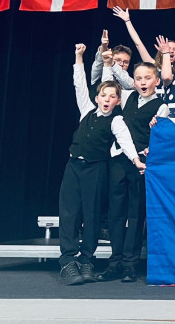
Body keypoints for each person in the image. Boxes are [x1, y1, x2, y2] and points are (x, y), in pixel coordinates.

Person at [59, 44, 144, 286]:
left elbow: (126, 141)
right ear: (97, 98)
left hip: (96, 170)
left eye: (112, 96)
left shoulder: (116, 120)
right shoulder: (86, 109)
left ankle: (87, 260)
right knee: (69, 212)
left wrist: (136, 160)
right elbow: (79, 83)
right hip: (74, 167)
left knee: (93, 214)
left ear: (118, 101)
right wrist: (78, 57)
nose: (107, 99)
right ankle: (67, 261)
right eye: (103, 95)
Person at [97, 58, 169, 283]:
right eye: (138, 78)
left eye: (147, 78)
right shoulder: (127, 98)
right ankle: (115, 262)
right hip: (119, 161)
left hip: (142, 165)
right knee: (116, 213)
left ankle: (130, 264)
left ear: (156, 81)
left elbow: (162, 139)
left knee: (136, 215)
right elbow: (107, 86)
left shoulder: (161, 106)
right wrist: (107, 62)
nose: (142, 82)